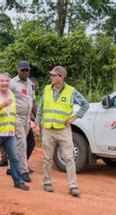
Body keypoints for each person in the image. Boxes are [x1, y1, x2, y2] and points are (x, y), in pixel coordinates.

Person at [35, 66, 89, 197]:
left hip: (63, 130)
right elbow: (41, 107)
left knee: (69, 158)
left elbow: (85, 104)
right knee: (47, 158)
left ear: (61, 76)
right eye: (51, 75)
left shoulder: (71, 91)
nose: (51, 77)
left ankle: (73, 186)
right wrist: (37, 123)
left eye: (54, 75)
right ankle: (47, 182)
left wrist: (75, 117)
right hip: (48, 129)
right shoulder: (47, 89)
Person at [7, 61, 36, 182]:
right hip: (16, 117)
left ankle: (10, 167)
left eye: (27, 70)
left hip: (26, 118)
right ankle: (23, 171)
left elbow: (33, 101)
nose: (25, 72)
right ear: (18, 70)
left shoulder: (30, 84)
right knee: (22, 143)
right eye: (22, 70)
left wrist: (36, 117)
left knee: (16, 143)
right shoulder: (12, 83)